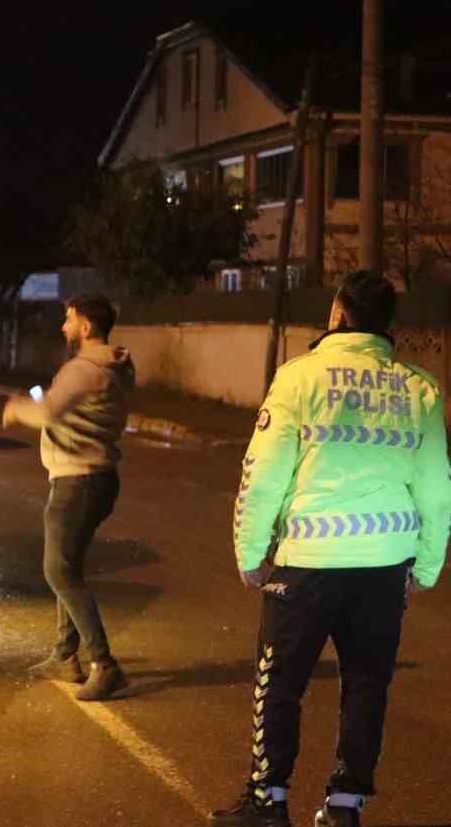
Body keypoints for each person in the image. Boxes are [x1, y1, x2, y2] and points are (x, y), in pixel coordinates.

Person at [211, 271, 451, 827]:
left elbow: (264, 472)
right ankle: (345, 806)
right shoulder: (420, 387)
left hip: (307, 565)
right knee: (367, 684)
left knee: (280, 685)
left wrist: (250, 552)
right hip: (384, 566)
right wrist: (429, 565)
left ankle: (268, 801)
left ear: (337, 315)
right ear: (391, 325)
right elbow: (437, 487)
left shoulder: (300, 378)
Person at [1, 292, 135, 702]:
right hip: (95, 478)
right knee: (69, 567)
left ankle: (104, 664)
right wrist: (44, 395)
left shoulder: (83, 370)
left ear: (87, 326)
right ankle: (64, 654)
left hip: (78, 481)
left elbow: (46, 413)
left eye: (69, 318)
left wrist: (16, 407)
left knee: (58, 571)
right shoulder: (112, 365)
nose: (64, 326)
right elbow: (68, 406)